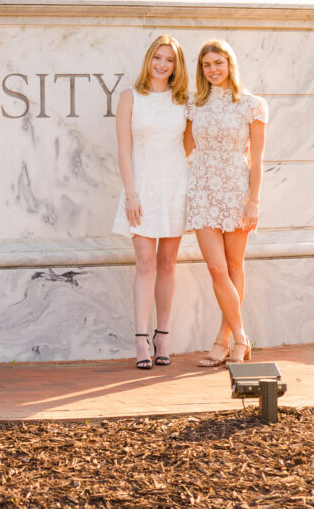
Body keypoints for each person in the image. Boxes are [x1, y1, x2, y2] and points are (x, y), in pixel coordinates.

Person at [185, 40, 267, 367]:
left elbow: (258, 160)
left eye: (218, 62)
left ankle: (223, 339)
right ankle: (242, 337)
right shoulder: (193, 104)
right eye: (206, 65)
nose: (213, 70)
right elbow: (183, 147)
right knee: (216, 268)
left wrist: (254, 202)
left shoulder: (252, 105)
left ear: (230, 64)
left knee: (234, 267)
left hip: (236, 190)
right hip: (202, 190)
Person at [113, 35, 190, 369]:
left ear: (176, 66)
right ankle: (140, 339)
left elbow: (188, 144)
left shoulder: (184, 100)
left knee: (168, 262)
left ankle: (163, 335)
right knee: (145, 262)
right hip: (141, 187)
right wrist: (131, 193)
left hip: (174, 185)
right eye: (157, 57)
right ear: (149, 60)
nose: (162, 64)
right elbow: (123, 149)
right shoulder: (130, 97)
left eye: (169, 60)